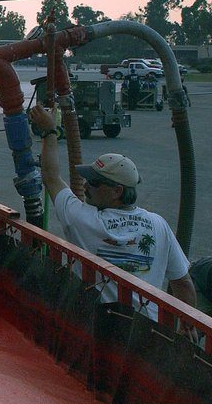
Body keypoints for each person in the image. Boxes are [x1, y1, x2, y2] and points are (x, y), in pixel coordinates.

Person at [28, 103, 196, 318]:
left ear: (117, 191)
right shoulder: (158, 225)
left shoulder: (83, 221)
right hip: (145, 331)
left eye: (95, 183)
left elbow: (51, 177)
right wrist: (187, 328)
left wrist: (50, 132)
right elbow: (183, 284)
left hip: (97, 325)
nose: (86, 186)